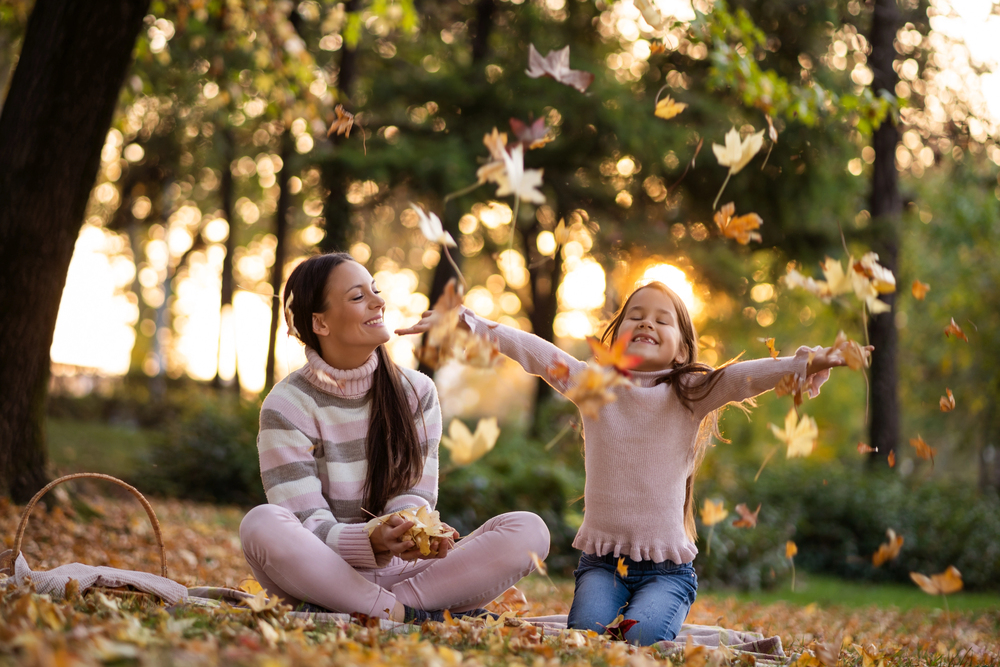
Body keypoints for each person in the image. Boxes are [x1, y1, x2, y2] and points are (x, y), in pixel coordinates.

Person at [397, 280, 864, 644]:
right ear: (616, 336)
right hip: (601, 565)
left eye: (662, 320)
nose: (646, 323)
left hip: (668, 572)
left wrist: (806, 363)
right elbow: (537, 354)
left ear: (682, 347)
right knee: (587, 641)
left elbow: (743, 378)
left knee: (640, 641)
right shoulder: (592, 386)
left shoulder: (691, 394)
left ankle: (664, 615)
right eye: (635, 316)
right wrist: (469, 321)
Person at [239, 252, 550, 623]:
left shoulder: (416, 391)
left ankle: (376, 610)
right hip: (321, 571)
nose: (379, 302)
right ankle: (404, 614)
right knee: (261, 523)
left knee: (529, 530)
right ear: (319, 323)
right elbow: (306, 522)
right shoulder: (287, 405)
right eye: (358, 297)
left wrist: (409, 530)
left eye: (375, 290)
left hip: (407, 573)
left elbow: (414, 494)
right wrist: (370, 538)